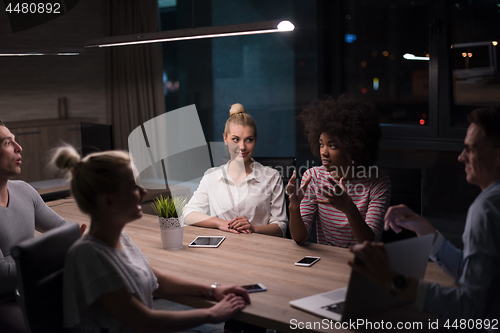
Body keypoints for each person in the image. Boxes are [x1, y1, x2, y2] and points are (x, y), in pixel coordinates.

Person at [53, 146, 250, 332]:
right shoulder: (89, 255)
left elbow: (157, 280)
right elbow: (145, 322)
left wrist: (213, 290)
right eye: (133, 187)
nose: (144, 192)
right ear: (108, 201)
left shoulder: (119, 237)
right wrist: (212, 314)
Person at [350, 107, 500, 320]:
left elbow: (470, 308)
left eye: (471, 149)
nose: (460, 157)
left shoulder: (487, 208)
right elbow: (475, 274)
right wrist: (428, 234)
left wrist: (393, 280)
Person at [0, 121, 85, 333]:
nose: (19, 148)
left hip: (37, 290)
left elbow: (63, 229)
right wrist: (57, 254)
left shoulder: (24, 191)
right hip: (5, 301)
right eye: (8, 143)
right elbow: (2, 276)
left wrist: (78, 238)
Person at [287, 95, 391, 247]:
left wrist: (349, 208)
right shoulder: (313, 176)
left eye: (332, 146)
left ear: (352, 147)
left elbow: (369, 243)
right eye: (321, 144)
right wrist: (294, 208)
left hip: (364, 263)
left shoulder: (378, 183)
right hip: (329, 263)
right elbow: (300, 238)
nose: (324, 152)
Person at [184, 103, 288, 237]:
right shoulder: (211, 176)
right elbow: (188, 214)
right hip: (223, 249)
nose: (242, 146)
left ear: (255, 140)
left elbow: (281, 227)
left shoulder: (272, 177)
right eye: (235, 139)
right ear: (225, 139)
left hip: (259, 249)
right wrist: (221, 223)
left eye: (249, 140)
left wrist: (253, 228)